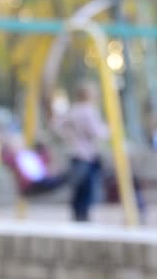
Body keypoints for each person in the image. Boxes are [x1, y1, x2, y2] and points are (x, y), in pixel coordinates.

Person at [53, 81, 109, 221]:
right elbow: (96, 132)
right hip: (88, 154)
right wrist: (108, 130)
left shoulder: (73, 110)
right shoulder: (89, 111)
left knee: (78, 187)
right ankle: (84, 214)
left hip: (75, 153)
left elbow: (57, 125)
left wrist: (69, 137)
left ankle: (77, 214)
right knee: (87, 187)